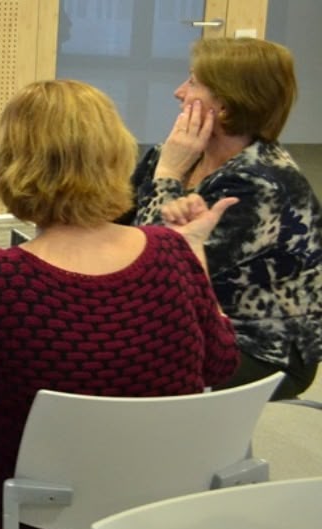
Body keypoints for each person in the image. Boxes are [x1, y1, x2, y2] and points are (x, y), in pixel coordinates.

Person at [0, 80, 240, 529]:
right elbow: (222, 363)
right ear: (114, 155)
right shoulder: (172, 254)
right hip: (157, 516)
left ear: (11, 164)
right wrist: (197, 256)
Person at [128, 37, 322, 400]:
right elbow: (114, 223)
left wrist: (168, 174)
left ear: (226, 105)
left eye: (193, 82)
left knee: (114, 366)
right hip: (187, 321)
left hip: (262, 348)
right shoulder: (176, 154)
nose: (178, 92)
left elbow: (157, 270)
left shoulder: (260, 184)